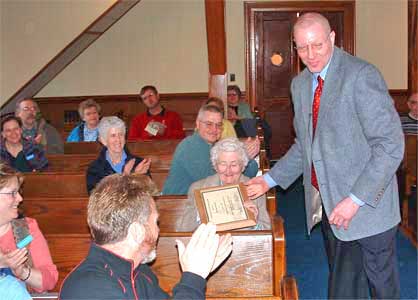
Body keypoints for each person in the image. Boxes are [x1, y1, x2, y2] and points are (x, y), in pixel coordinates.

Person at [246, 12, 404, 299]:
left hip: (369, 207)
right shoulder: (300, 84)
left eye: (317, 45)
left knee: (382, 288)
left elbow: (390, 145)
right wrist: (268, 180)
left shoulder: (361, 75)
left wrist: (355, 199)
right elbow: (306, 146)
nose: (310, 55)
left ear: (332, 38)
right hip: (330, 205)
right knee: (345, 287)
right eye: (302, 48)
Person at [59, 174, 233, 299]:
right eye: (155, 222)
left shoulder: (140, 272)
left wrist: (200, 271)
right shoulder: (89, 289)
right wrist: (193, 277)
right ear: (137, 231)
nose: (158, 231)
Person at [162, 105, 260, 195]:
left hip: (204, 198)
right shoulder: (190, 146)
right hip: (178, 204)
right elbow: (216, 183)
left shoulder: (215, 146)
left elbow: (243, 178)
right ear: (198, 124)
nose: (214, 129)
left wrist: (247, 159)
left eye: (218, 125)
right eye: (209, 124)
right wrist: (244, 157)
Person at [179, 138, 270, 231]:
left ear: (243, 166)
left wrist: (254, 223)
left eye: (234, 165)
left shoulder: (255, 189)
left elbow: (268, 232)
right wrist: (200, 214)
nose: (228, 170)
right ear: (215, 166)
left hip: (243, 244)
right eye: (223, 164)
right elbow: (184, 230)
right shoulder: (198, 188)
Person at [0, 163, 58, 293]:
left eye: (18, 192)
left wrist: (22, 272)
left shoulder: (24, 229)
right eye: (12, 193)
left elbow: (49, 280)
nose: (20, 198)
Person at [86, 116, 151, 194]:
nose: (118, 140)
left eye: (120, 134)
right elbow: (98, 200)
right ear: (103, 140)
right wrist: (128, 176)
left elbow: (148, 194)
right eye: (113, 136)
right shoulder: (95, 169)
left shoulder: (138, 163)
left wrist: (138, 177)